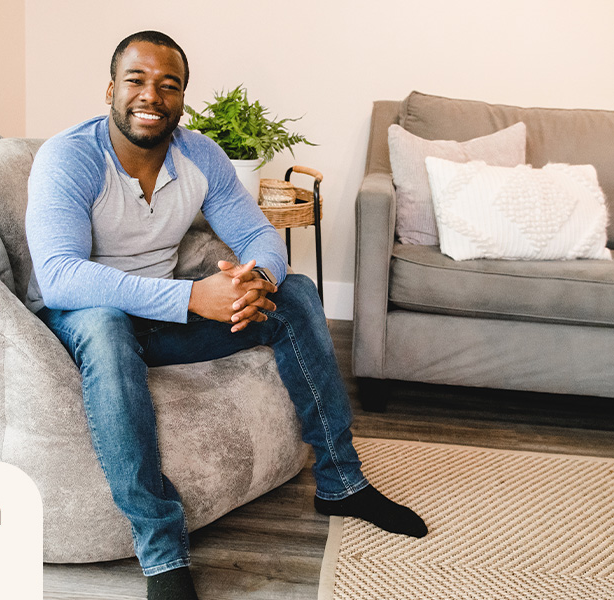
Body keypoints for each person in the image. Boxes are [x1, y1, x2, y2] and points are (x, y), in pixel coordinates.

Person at [25, 30, 427, 600]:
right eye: (136, 80)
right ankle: (162, 552)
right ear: (110, 89)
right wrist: (193, 298)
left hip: (161, 320)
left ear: (182, 98)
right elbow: (61, 276)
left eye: (169, 85)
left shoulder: (199, 154)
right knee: (106, 323)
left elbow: (259, 234)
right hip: (84, 320)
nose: (151, 96)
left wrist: (253, 281)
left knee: (297, 293)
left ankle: (341, 480)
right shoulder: (70, 157)